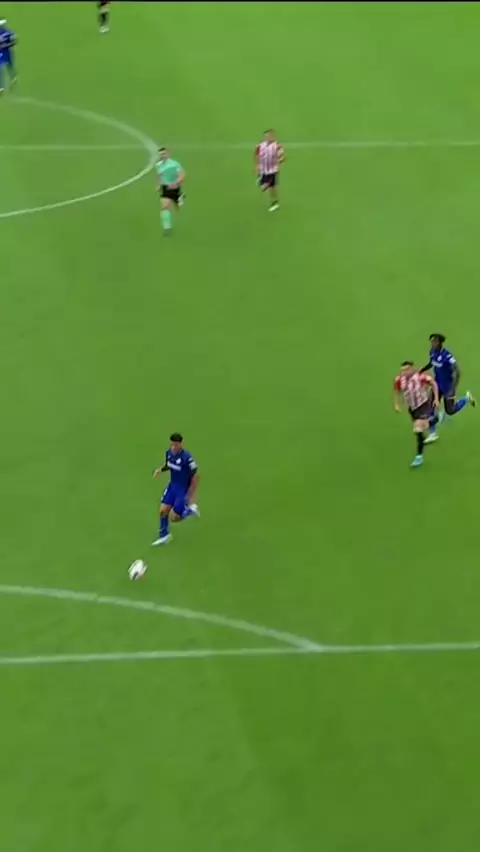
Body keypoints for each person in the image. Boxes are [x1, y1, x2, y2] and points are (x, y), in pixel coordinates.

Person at [152, 433, 199, 546]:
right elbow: (169, 464)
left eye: (176, 445)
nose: (173, 447)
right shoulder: (169, 453)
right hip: (172, 486)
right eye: (172, 444)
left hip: (182, 489)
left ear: (181, 444)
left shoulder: (187, 458)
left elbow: (195, 476)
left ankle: (190, 510)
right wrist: (160, 470)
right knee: (163, 511)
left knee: (174, 518)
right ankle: (164, 535)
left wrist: (191, 495)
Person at [394, 361, 440, 467]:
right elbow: (397, 390)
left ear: (411, 369)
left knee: (418, 430)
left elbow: (433, 383)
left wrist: (436, 399)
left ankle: (419, 457)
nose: (404, 372)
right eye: (402, 370)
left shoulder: (419, 377)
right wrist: (396, 404)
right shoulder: (399, 380)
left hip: (423, 405)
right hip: (412, 409)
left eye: (406, 370)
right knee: (423, 427)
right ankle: (435, 420)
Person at [420, 333, 475, 418]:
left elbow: (457, 372)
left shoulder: (447, 356)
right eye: (431, 341)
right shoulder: (432, 352)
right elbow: (431, 363)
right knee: (431, 406)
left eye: (434, 341)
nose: (432, 343)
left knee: (450, 410)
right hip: (437, 384)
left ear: (439, 342)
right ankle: (432, 420)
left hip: (447, 387)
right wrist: (421, 370)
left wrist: (453, 388)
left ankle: (466, 398)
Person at [155, 147, 186, 236]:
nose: (162, 156)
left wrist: (176, 183)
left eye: (164, 154)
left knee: (177, 208)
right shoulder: (158, 165)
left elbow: (182, 175)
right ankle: (167, 228)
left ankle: (179, 197)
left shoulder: (174, 164)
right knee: (164, 206)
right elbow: (159, 175)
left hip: (175, 187)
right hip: (165, 187)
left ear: (168, 154)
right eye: (161, 154)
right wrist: (158, 185)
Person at [255, 129, 284, 212]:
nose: (268, 137)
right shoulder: (260, 145)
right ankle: (275, 202)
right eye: (267, 136)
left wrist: (279, 160)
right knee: (268, 188)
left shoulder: (277, 145)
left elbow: (281, 155)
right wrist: (257, 165)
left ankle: (275, 203)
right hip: (263, 170)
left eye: (270, 136)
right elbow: (257, 154)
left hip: (272, 170)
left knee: (269, 186)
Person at [0, 19, 17, 93]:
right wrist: (8, 45)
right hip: (8, 51)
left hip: (3, 52)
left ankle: (2, 86)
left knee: (3, 68)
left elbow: (13, 42)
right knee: (9, 65)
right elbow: (14, 41)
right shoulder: (9, 32)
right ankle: (13, 78)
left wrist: (4, 46)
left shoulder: (6, 33)